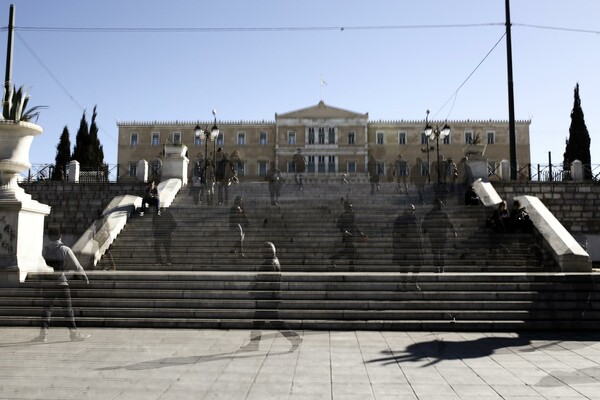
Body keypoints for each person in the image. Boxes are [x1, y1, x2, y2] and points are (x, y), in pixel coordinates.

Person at [241, 241, 302, 352]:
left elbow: (265, 282)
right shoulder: (275, 261)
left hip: (266, 298)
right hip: (270, 297)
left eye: (263, 251)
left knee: (273, 322)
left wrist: (254, 289)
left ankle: (294, 338)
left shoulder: (268, 264)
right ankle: (254, 344)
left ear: (269, 251)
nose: (261, 253)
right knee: (260, 322)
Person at [32, 228, 90, 343]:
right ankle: (73, 334)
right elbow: (77, 266)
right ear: (60, 237)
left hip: (48, 285)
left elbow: (40, 269)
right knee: (68, 310)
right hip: (62, 283)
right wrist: (84, 277)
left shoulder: (45, 250)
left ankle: (43, 335)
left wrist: (38, 285)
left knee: (46, 310)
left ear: (49, 238)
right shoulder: (65, 249)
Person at [393, 204, 423, 290]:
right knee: (404, 265)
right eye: (410, 209)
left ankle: (413, 282)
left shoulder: (415, 219)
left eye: (413, 210)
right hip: (404, 246)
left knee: (418, 263)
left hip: (414, 245)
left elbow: (418, 232)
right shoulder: (400, 219)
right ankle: (404, 284)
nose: (412, 211)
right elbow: (395, 233)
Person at [422, 198, 457, 273]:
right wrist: (453, 232)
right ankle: (441, 268)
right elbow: (449, 223)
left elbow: (424, 225)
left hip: (435, 235)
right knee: (440, 252)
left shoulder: (429, 214)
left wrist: (424, 232)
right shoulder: (442, 214)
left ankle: (438, 268)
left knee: (436, 252)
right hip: (440, 235)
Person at [330, 201, 367, 270]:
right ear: (346, 208)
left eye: (351, 207)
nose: (351, 209)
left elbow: (354, 225)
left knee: (348, 250)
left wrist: (360, 233)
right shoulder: (343, 215)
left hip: (352, 235)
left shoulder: (352, 215)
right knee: (351, 250)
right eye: (349, 208)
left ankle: (334, 259)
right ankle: (351, 266)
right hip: (347, 236)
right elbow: (339, 225)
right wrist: (344, 231)